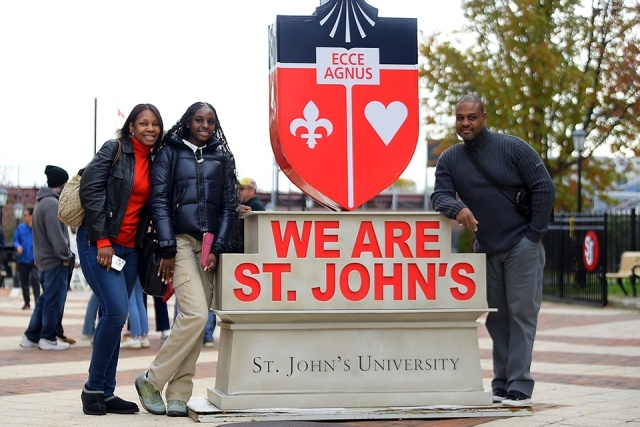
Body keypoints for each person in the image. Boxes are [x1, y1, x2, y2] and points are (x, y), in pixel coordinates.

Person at [430, 94, 555, 407]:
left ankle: (520, 387)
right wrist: (457, 208)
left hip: (521, 246)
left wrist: (533, 235)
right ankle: (501, 384)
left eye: (472, 117)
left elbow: (544, 187)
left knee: (522, 316)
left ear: (483, 117)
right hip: (486, 247)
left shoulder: (513, 148)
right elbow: (439, 197)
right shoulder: (449, 159)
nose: (465, 123)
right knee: (496, 319)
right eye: (460, 118)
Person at [135, 102, 237, 417]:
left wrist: (219, 247)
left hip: (208, 246)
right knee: (194, 313)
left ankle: (179, 394)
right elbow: (159, 200)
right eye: (199, 119)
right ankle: (151, 379)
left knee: (197, 318)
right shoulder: (169, 151)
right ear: (188, 122)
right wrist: (166, 245)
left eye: (211, 121)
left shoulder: (223, 156)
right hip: (178, 241)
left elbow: (230, 204)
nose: (205, 125)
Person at [76, 103, 164, 416]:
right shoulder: (115, 150)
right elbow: (90, 189)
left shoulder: (156, 161)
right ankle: (92, 389)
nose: (150, 129)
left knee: (113, 317)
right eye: (143, 123)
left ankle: (106, 391)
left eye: (155, 124)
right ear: (131, 127)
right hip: (99, 243)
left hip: (129, 250)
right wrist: (102, 240)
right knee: (115, 311)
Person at [20, 166, 74, 351]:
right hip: (55, 261)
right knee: (52, 300)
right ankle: (47, 337)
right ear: (61, 183)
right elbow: (56, 235)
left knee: (45, 299)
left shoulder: (41, 203)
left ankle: (31, 335)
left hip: (44, 260)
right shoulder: (52, 204)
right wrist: (65, 256)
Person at [13, 208, 41, 309]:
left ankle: (38, 301)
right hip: (22, 259)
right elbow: (15, 239)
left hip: (35, 259)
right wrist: (18, 246)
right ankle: (27, 302)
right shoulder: (20, 228)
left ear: (31, 216)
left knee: (35, 278)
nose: (23, 217)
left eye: (25, 215)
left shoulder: (38, 228)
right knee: (24, 282)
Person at [228, 178, 265, 254]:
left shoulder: (254, 206)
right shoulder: (251, 205)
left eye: (241, 189)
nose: (238, 192)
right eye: (237, 189)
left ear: (252, 191)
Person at [121, 276, 150, 349]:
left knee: (131, 301)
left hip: (128, 267)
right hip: (139, 267)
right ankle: (144, 337)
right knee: (140, 301)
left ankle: (135, 337)